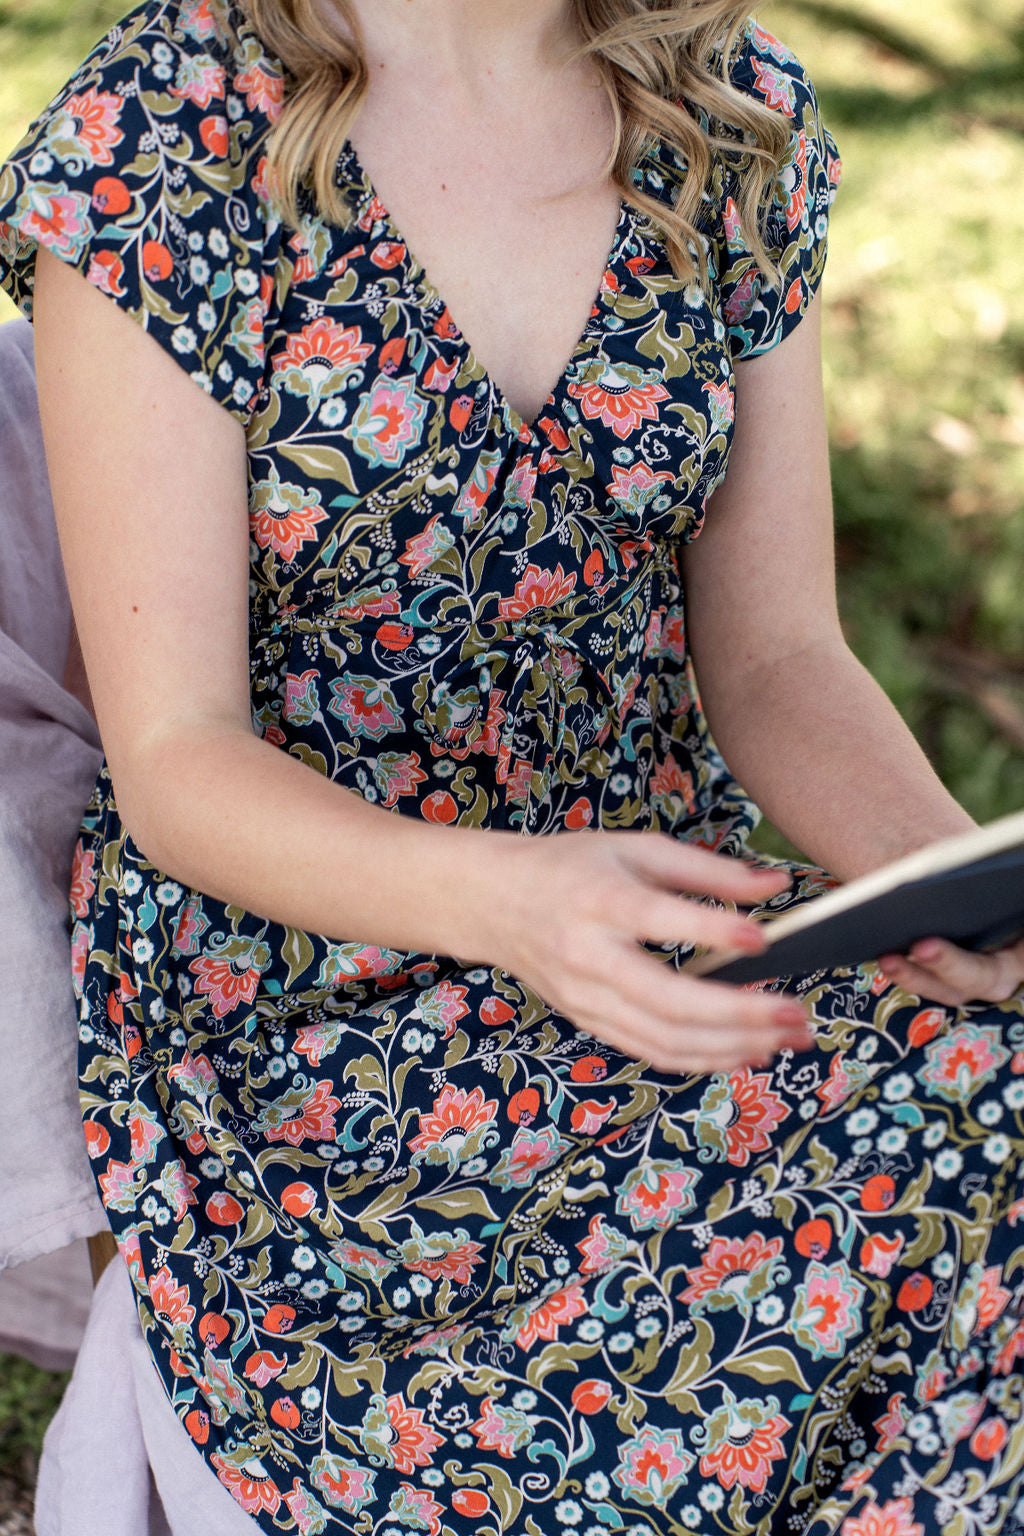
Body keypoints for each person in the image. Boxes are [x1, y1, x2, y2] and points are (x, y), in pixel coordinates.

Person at [2, 0, 1023, 1532]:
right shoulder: (166, 131)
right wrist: (512, 904)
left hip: (673, 928)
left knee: (994, 1072)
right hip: (302, 1017)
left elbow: (779, 659)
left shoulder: (727, 120)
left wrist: (957, 890)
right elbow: (175, 759)